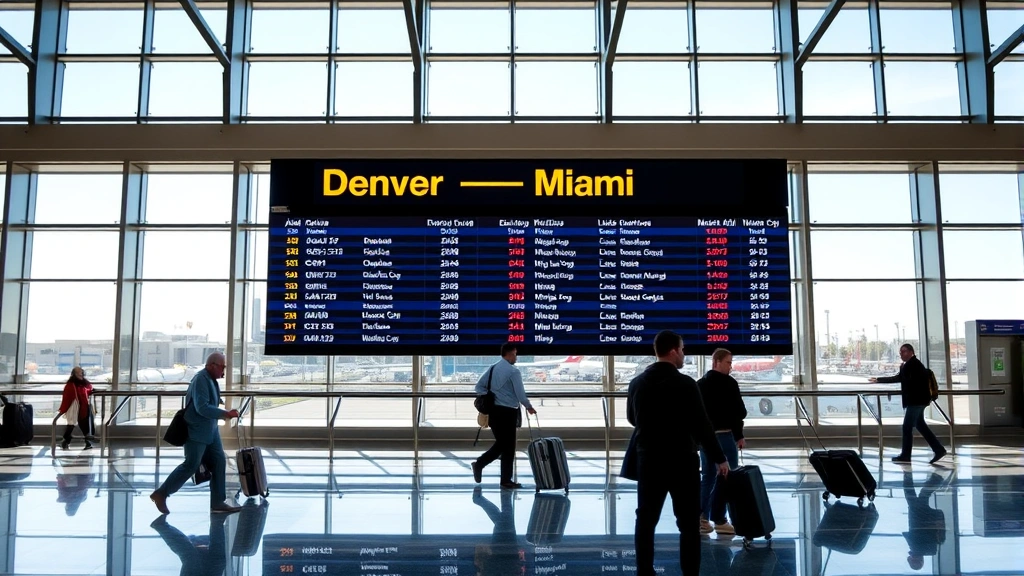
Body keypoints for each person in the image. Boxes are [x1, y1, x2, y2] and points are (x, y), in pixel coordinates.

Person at [628, 330, 729, 576]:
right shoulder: (685, 384)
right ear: (673, 351)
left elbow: (633, 419)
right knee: (687, 524)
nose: (684, 354)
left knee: (646, 520)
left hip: (649, 460)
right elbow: (702, 426)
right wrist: (719, 457)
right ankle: (690, 572)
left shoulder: (637, 383)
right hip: (681, 462)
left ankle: (644, 570)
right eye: (682, 349)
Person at [151, 352, 240, 514]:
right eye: (222, 367)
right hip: (196, 431)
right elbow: (202, 407)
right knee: (191, 465)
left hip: (210, 430)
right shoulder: (201, 379)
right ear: (212, 365)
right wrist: (225, 413)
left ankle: (218, 501)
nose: (223, 371)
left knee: (219, 461)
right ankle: (161, 493)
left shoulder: (211, 380)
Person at [471, 342, 536, 490]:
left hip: (494, 412)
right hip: (507, 413)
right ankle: (481, 465)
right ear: (509, 354)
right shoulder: (514, 372)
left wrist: (491, 397)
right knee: (507, 446)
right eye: (515, 354)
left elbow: (479, 387)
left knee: (504, 445)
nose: (516, 358)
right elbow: (520, 394)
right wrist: (529, 407)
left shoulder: (493, 368)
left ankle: (504, 479)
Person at [697, 348, 747, 536]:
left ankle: (702, 518)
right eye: (728, 362)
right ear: (716, 362)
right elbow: (739, 413)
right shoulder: (729, 384)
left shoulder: (700, 384)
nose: (731, 366)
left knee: (708, 477)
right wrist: (739, 435)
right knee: (727, 477)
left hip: (706, 438)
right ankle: (720, 518)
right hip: (725, 436)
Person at [870, 344, 947, 464]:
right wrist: (879, 379)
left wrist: (901, 370)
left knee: (907, 427)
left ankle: (906, 455)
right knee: (920, 425)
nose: (901, 354)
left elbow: (906, 379)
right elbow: (900, 378)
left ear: (911, 352)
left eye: (904, 352)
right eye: (900, 352)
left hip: (916, 401)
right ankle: (938, 449)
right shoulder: (911, 364)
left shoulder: (913, 364)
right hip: (919, 401)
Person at [902, 470, 947, 570]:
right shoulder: (915, 548)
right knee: (910, 492)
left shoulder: (932, 550)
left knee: (923, 494)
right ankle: (907, 472)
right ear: (912, 560)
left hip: (929, 518)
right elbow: (908, 535)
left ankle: (938, 477)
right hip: (917, 516)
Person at [57, 366, 96, 450]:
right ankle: (66, 441)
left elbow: (89, 389)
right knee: (71, 424)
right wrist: (64, 408)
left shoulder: (85, 383)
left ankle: (87, 442)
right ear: (74, 374)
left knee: (85, 425)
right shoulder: (71, 384)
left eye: (81, 372)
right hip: (74, 407)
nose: (80, 373)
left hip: (84, 407)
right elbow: (67, 397)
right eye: (78, 372)